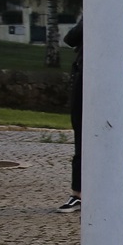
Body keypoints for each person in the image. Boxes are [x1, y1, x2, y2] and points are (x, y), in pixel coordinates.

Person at [57, 23, 83, 213]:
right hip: (86, 78)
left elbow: (71, 38)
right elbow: (70, 38)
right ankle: (78, 193)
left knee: (83, 139)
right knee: (82, 137)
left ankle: (78, 193)